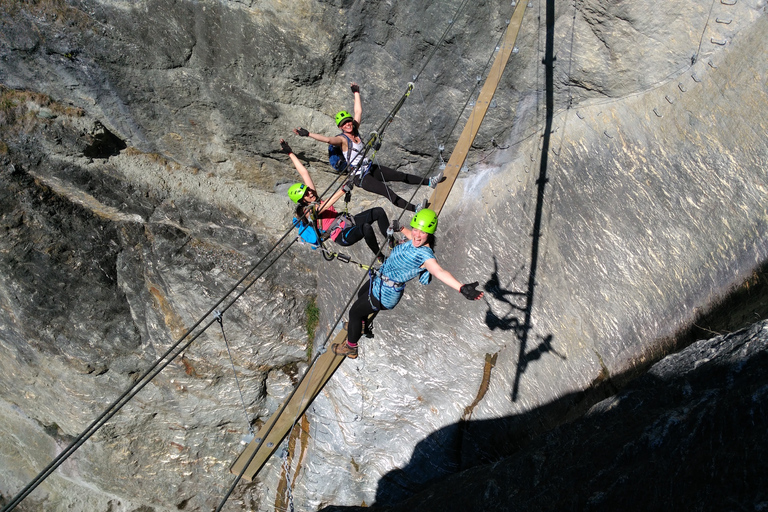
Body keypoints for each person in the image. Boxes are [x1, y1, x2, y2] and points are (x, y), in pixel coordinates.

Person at [333, 208, 484, 359]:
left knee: (354, 312)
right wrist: (402, 228)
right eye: (416, 229)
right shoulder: (415, 240)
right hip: (380, 280)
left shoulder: (426, 256)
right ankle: (361, 326)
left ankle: (351, 348)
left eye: (422, 232)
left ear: (429, 234)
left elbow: (438, 271)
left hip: (386, 294)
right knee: (361, 295)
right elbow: (412, 236)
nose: (417, 235)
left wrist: (461, 287)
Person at [293, 82, 444, 213]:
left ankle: (429, 182)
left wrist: (356, 92)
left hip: (369, 167)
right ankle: (415, 208)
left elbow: (358, 111)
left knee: (400, 176)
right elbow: (327, 139)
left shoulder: (355, 129)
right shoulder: (342, 139)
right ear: (340, 127)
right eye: (344, 124)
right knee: (387, 191)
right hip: (360, 177)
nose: (348, 124)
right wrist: (308, 134)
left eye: (349, 121)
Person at [281, 139, 390, 263]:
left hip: (347, 221)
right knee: (366, 228)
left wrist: (290, 153)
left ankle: (391, 241)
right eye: (306, 194)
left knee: (378, 212)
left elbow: (305, 173)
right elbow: (326, 204)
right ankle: (380, 256)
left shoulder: (314, 199)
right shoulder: (308, 211)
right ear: (302, 200)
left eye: (308, 190)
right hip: (340, 234)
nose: (310, 193)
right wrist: (342, 191)